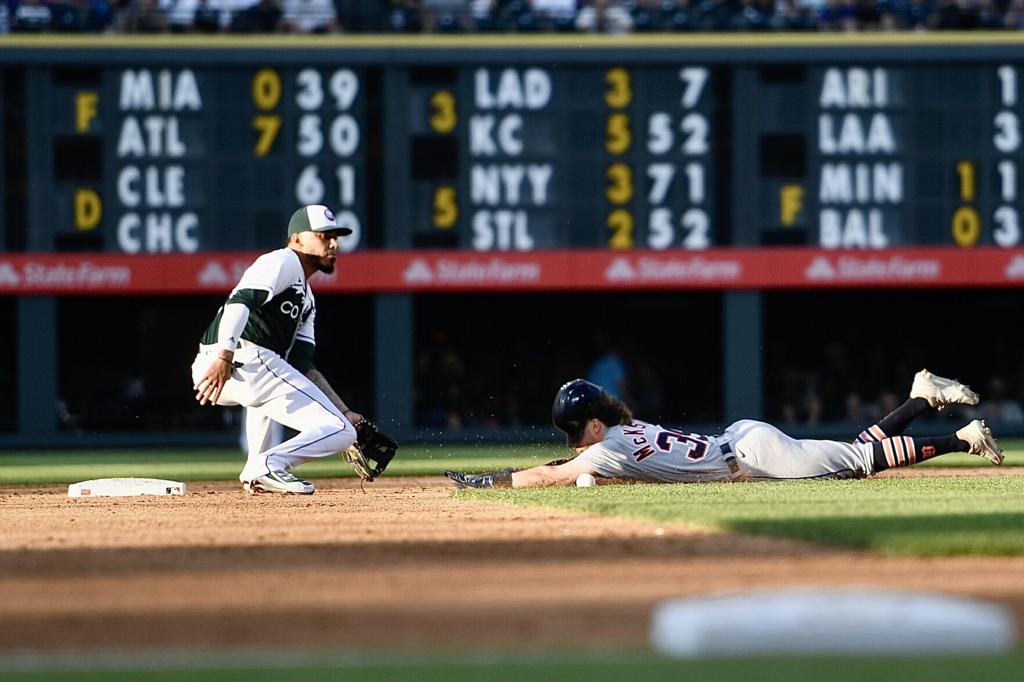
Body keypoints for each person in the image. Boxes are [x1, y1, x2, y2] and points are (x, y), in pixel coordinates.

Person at [445, 369, 1003, 489]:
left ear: (590, 425)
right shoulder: (623, 429)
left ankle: (964, 438)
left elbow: (548, 476)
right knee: (852, 451)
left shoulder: (600, 452)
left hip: (748, 454)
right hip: (741, 441)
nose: (572, 445)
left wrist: (491, 480)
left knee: (856, 464)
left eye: (574, 433)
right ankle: (919, 396)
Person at [191, 205, 363, 494]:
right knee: (343, 433)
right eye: (323, 236)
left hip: (237, 368)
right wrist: (225, 355)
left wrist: (343, 410)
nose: (333, 244)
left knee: (327, 414)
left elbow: (302, 365)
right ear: (296, 239)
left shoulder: (307, 299)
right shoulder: (284, 261)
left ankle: (256, 469)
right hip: (235, 357)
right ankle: (269, 464)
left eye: (335, 237)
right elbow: (240, 301)